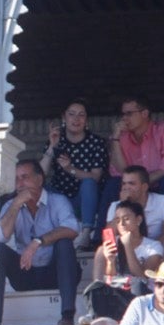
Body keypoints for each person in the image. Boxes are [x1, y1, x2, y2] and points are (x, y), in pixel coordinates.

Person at [0, 159, 80, 325]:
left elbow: (72, 229)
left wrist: (38, 242)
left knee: (64, 243)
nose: (20, 183)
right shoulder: (11, 204)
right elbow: (1, 236)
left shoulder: (57, 201)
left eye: (25, 177)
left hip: (55, 273)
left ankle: (67, 316)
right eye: (16, 179)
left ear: (39, 179)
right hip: (25, 273)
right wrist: (16, 204)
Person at [99, 97, 164, 237]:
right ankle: (100, 238)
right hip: (134, 186)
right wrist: (115, 139)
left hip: (160, 183)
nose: (124, 118)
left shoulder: (163, 129)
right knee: (112, 184)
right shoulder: (122, 136)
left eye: (129, 113)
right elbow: (118, 171)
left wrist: (143, 182)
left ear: (144, 113)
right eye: (123, 114)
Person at [39, 99, 109, 249]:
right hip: (61, 197)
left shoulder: (96, 142)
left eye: (81, 115)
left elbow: (95, 177)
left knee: (89, 183)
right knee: (40, 186)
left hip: (84, 200)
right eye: (71, 114)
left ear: (86, 120)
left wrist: (70, 168)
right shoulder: (58, 139)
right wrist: (52, 146)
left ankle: (86, 232)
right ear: (64, 118)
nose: (76, 119)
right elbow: (40, 175)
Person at [82, 200, 163, 322]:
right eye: (118, 220)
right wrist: (110, 261)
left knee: (138, 283)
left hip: (138, 295)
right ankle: (96, 316)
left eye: (126, 219)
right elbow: (106, 279)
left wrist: (128, 246)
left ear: (138, 220)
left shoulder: (154, 247)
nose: (122, 224)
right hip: (117, 294)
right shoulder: (109, 245)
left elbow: (142, 276)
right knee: (95, 288)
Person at [104, 165, 164, 262]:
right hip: (125, 250)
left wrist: (148, 250)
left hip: (155, 249)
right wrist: (122, 205)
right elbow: (108, 238)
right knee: (101, 251)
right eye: (124, 184)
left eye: (131, 184)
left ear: (144, 187)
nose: (126, 188)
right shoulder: (115, 206)